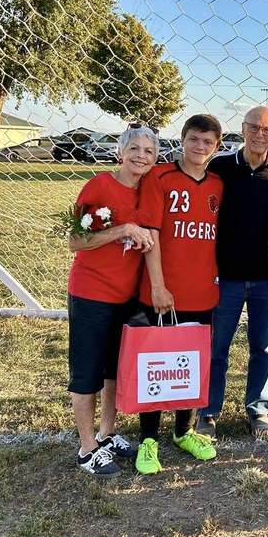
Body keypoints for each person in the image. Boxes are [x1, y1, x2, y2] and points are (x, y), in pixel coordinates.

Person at [200, 105, 268, 439]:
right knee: (216, 348)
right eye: (254, 127)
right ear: (242, 129)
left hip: (266, 279)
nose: (260, 134)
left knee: (263, 349)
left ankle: (258, 409)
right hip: (224, 277)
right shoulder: (219, 167)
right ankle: (208, 412)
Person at [134, 114, 224, 474]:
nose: (200, 147)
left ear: (216, 147)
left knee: (190, 368)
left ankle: (183, 431)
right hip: (162, 292)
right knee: (156, 368)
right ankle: (148, 441)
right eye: (194, 139)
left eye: (208, 142)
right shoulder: (161, 178)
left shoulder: (219, 184)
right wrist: (157, 285)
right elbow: (150, 236)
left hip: (203, 293)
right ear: (182, 140)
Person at [66, 125, 157, 475]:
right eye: (134, 149)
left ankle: (107, 432)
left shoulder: (148, 190)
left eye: (148, 151)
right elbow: (76, 241)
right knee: (87, 369)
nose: (141, 156)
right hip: (92, 292)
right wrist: (122, 230)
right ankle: (87, 448)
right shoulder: (100, 186)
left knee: (113, 370)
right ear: (121, 152)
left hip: (126, 296)